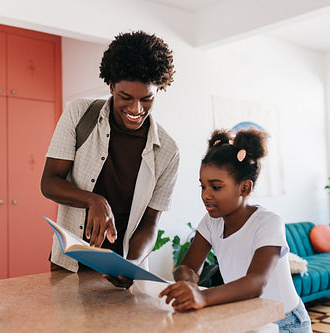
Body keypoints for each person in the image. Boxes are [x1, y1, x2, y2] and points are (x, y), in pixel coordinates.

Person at [41, 31, 179, 288]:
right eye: (126, 97)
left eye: (146, 98)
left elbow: (150, 223)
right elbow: (49, 182)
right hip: (69, 265)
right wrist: (94, 200)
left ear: (158, 90)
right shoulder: (79, 114)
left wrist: (133, 265)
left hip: (124, 271)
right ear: (111, 86)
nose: (136, 109)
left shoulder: (168, 151)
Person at [159, 128, 311, 332]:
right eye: (203, 186)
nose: (206, 195)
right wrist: (189, 285)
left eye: (216, 187)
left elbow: (255, 283)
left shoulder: (268, 222)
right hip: (247, 316)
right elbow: (187, 267)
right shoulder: (211, 222)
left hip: (286, 322)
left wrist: (202, 297)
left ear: (244, 189)